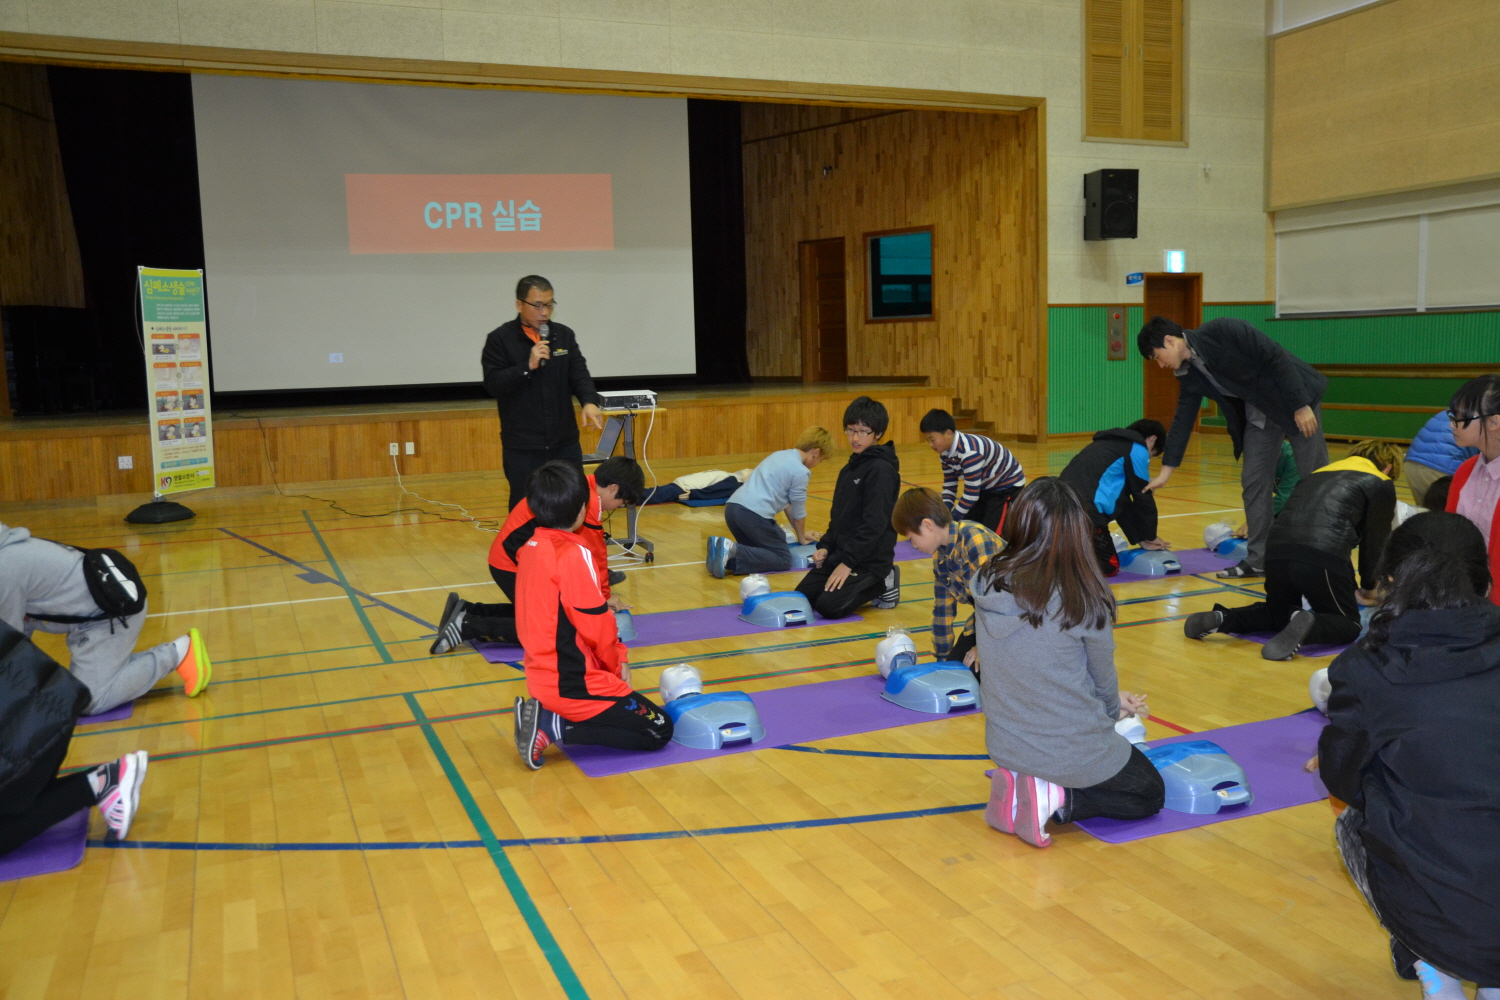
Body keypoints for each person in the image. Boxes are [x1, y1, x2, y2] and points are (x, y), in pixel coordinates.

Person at [1318, 514, 1500, 998]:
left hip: (1454, 904)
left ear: (1390, 580)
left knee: (1353, 820)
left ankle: (1434, 964)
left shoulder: (1366, 667)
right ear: (1482, 578)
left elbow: (1342, 779)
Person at [971, 478, 1161, 849]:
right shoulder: (1082, 595)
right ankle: (1057, 798)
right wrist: (1112, 710)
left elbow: (1037, 662)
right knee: (1148, 791)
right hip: (1064, 750)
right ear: (1077, 532)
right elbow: (1102, 680)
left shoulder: (988, 578)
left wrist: (1110, 699)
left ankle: (1018, 789)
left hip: (1004, 742)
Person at [1138, 315, 1329, 579]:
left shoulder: (1223, 330)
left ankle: (1324, 554)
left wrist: (1300, 405)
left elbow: (1274, 356)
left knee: (1315, 477)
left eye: (1157, 357)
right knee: (1253, 480)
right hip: (1260, 413)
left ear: (1170, 341)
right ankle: (1259, 559)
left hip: (1294, 398)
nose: (1160, 365)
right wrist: (1166, 471)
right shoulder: (1188, 372)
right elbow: (1183, 417)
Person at [511, 462, 671, 769]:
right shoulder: (573, 553)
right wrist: (617, 665)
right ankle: (554, 725)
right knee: (658, 729)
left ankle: (552, 717)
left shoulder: (530, 547)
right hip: (573, 683)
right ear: (582, 508)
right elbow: (596, 625)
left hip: (542, 676)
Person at [1183, 440, 1400, 660]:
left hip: (1275, 552)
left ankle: (1223, 618)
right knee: (1347, 624)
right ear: (1388, 467)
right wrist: (1370, 588)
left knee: (1278, 613)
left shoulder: (1316, 475)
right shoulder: (1380, 482)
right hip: (1321, 556)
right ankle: (1308, 624)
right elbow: (1374, 544)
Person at [430, 456, 643, 654]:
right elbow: (596, 556)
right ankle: (468, 626)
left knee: (545, 613)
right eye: (622, 503)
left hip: (512, 558)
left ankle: (470, 611)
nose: (618, 507)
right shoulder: (590, 502)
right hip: (513, 563)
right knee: (554, 629)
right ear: (613, 488)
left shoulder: (579, 485)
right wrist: (603, 598)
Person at [0, 523, 211, 716]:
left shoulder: (5, 568)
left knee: (88, 700)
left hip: (111, 615)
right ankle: (112, 668)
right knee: (68, 691)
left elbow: (9, 641)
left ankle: (177, 653)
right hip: (89, 615)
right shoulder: (10, 551)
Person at [0, 622, 150, 854]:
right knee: (16, 798)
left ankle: (96, 785)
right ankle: (103, 780)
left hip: (30, 732)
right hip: (54, 701)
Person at [481, 275, 607, 509]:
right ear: (519, 304)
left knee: (573, 504)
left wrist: (589, 402)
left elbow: (579, 373)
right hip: (523, 445)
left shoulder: (564, 335)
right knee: (525, 508)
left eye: (549, 305)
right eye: (538, 305)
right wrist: (527, 366)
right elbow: (493, 384)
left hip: (563, 442)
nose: (545, 312)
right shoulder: (500, 339)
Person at [796, 396, 902, 619]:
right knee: (801, 598)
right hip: (842, 553)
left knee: (829, 607)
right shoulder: (849, 469)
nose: (854, 438)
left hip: (868, 560)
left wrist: (847, 564)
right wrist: (826, 547)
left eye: (863, 431)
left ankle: (884, 581)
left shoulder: (882, 471)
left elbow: (874, 525)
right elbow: (839, 518)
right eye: (850, 430)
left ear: (878, 433)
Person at [891, 487, 1000, 670]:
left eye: (912, 538)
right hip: (984, 621)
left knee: (978, 672)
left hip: (1018, 619)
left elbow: (999, 602)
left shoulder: (974, 540)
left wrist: (985, 647)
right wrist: (942, 661)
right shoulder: (941, 558)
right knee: (954, 670)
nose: (913, 545)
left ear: (927, 525)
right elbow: (943, 612)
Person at [706, 426, 833, 578]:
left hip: (732, 509)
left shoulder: (779, 455)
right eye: (820, 460)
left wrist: (802, 532)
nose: (817, 463)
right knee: (783, 559)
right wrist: (801, 538)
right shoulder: (801, 471)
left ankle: (723, 556)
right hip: (752, 514)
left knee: (760, 555)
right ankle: (733, 549)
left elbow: (788, 505)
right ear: (816, 452)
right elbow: (798, 510)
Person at [1056, 419, 1171, 577]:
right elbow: (1143, 497)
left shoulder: (1105, 445)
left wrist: (1142, 538)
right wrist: (1151, 536)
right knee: (1109, 567)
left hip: (1059, 507)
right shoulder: (1137, 448)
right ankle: (1063, 564)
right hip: (1087, 512)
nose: (1148, 459)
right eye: (1151, 453)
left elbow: (1123, 504)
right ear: (1152, 439)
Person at [1443, 374, 1500, 606]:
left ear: (1493, 422)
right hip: (1467, 597)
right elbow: (1448, 534)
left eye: (1461, 417)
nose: (1452, 424)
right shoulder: (1465, 470)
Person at [919, 409, 1027, 531]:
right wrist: (945, 513)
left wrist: (951, 520)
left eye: (932, 439)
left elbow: (971, 495)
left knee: (991, 535)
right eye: (927, 440)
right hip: (984, 488)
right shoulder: (945, 454)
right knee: (965, 528)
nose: (930, 444)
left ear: (948, 433)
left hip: (1005, 488)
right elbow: (950, 486)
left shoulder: (970, 453)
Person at [1405, 409, 1478, 507]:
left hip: (1412, 464)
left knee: (1426, 512)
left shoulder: (1454, 409)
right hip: (1441, 468)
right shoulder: (1487, 416)